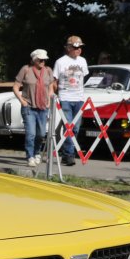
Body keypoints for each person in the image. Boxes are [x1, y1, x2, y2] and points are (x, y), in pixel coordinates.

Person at [15, 48, 56, 165]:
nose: (43, 62)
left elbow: (51, 88)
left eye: (44, 60)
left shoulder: (48, 70)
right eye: (40, 60)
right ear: (34, 60)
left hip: (43, 107)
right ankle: (30, 156)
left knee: (41, 134)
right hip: (29, 107)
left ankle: (37, 152)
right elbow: (15, 87)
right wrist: (22, 100)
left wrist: (49, 102)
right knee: (31, 133)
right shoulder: (26, 69)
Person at [53, 35, 89, 165]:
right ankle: (69, 155)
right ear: (68, 48)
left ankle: (66, 153)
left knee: (75, 128)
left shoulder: (83, 61)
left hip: (79, 98)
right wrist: (55, 94)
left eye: (80, 47)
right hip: (65, 98)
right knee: (68, 126)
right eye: (75, 47)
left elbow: (84, 77)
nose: (78, 49)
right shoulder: (60, 62)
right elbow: (54, 81)